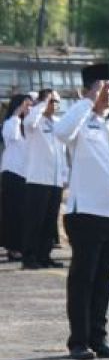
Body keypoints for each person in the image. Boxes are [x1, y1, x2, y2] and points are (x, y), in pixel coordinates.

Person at [54, 63, 109, 360]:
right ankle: (78, 341)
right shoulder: (78, 120)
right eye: (103, 87)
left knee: (105, 278)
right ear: (88, 90)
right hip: (86, 212)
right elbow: (61, 133)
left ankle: (98, 339)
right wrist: (87, 101)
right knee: (83, 278)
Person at [21, 90, 68, 269]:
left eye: (57, 101)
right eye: (52, 101)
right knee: (35, 221)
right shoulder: (34, 122)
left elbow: (62, 152)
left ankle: (44, 255)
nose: (55, 105)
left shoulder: (58, 124)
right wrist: (42, 103)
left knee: (49, 222)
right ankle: (29, 256)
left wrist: (64, 175)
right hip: (38, 179)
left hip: (55, 180)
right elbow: (29, 121)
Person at [2, 93, 33, 262]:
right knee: (13, 212)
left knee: (24, 213)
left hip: (26, 175)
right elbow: (11, 136)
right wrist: (16, 114)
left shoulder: (29, 126)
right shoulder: (10, 123)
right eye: (26, 106)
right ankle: (12, 248)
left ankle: (22, 246)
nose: (29, 109)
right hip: (12, 173)